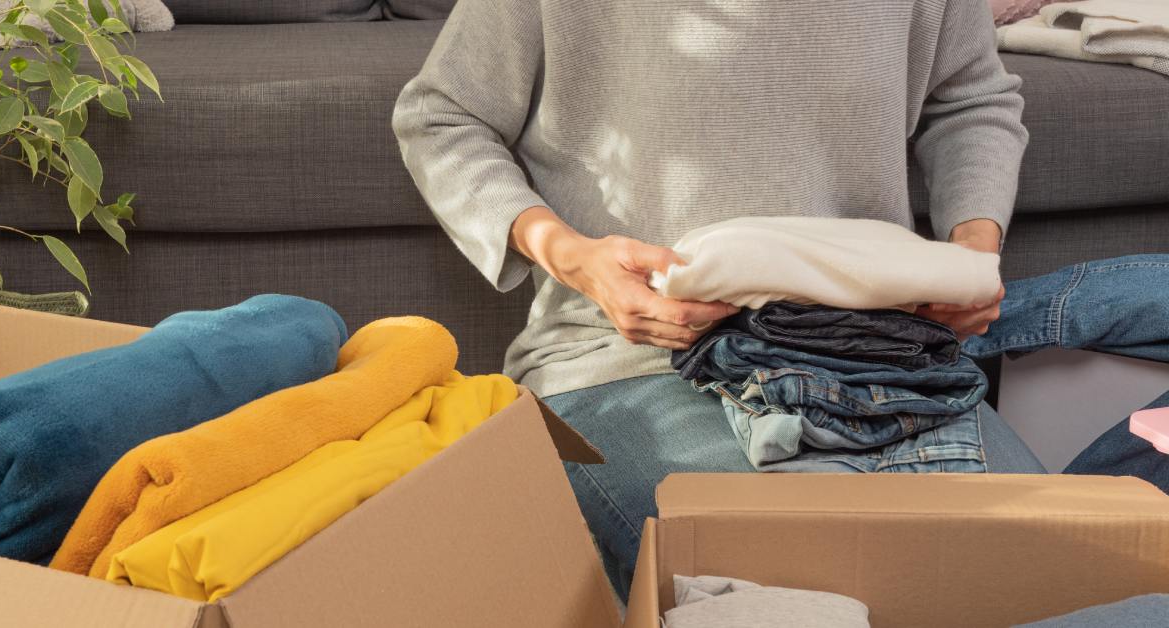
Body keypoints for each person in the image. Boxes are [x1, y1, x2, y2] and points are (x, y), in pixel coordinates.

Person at [393, 0, 1046, 599]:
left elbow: (971, 101)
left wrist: (972, 250)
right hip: (634, 360)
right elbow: (442, 116)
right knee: (792, 597)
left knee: (1051, 576)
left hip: (880, 359)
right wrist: (575, 259)